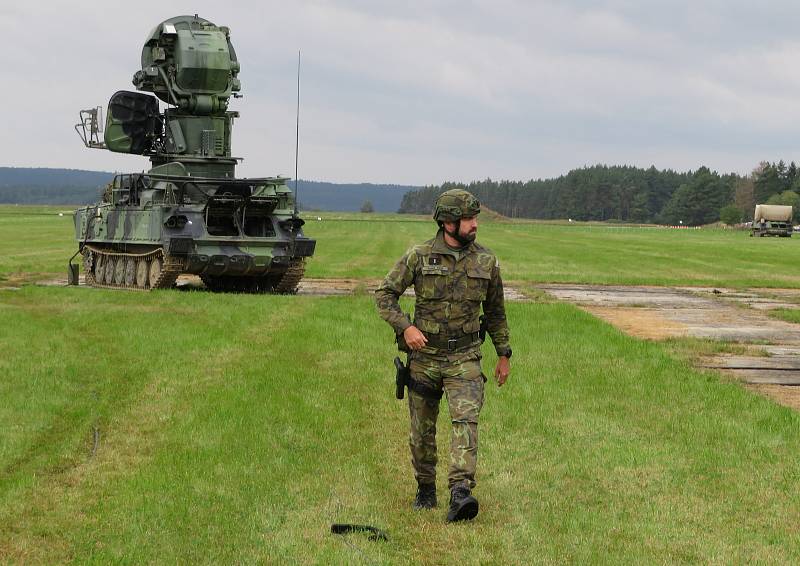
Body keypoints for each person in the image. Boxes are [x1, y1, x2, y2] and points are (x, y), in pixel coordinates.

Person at [375, 189, 512, 523]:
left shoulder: (486, 261)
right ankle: (425, 487)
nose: (475, 224)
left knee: (466, 422)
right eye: (469, 219)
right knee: (421, 432)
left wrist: (504, 353)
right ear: (449, 222)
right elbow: (384, 295)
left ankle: (460, 492)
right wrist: (405, 328)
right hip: (424, 359)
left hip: (465, 357)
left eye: (475, 218)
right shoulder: (419, 256)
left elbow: (495, 312)